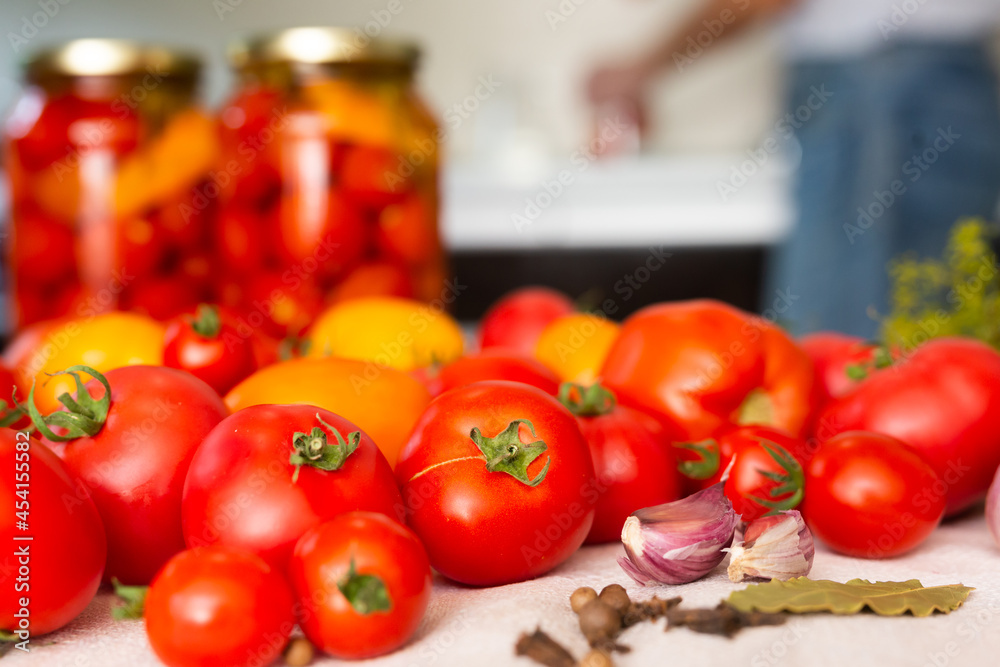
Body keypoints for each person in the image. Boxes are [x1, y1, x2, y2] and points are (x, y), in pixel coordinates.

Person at [589, 0, 1000, 337]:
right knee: (925, 334)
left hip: (882, 88)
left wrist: (643, 69)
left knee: (846, 342)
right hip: (926, 78)